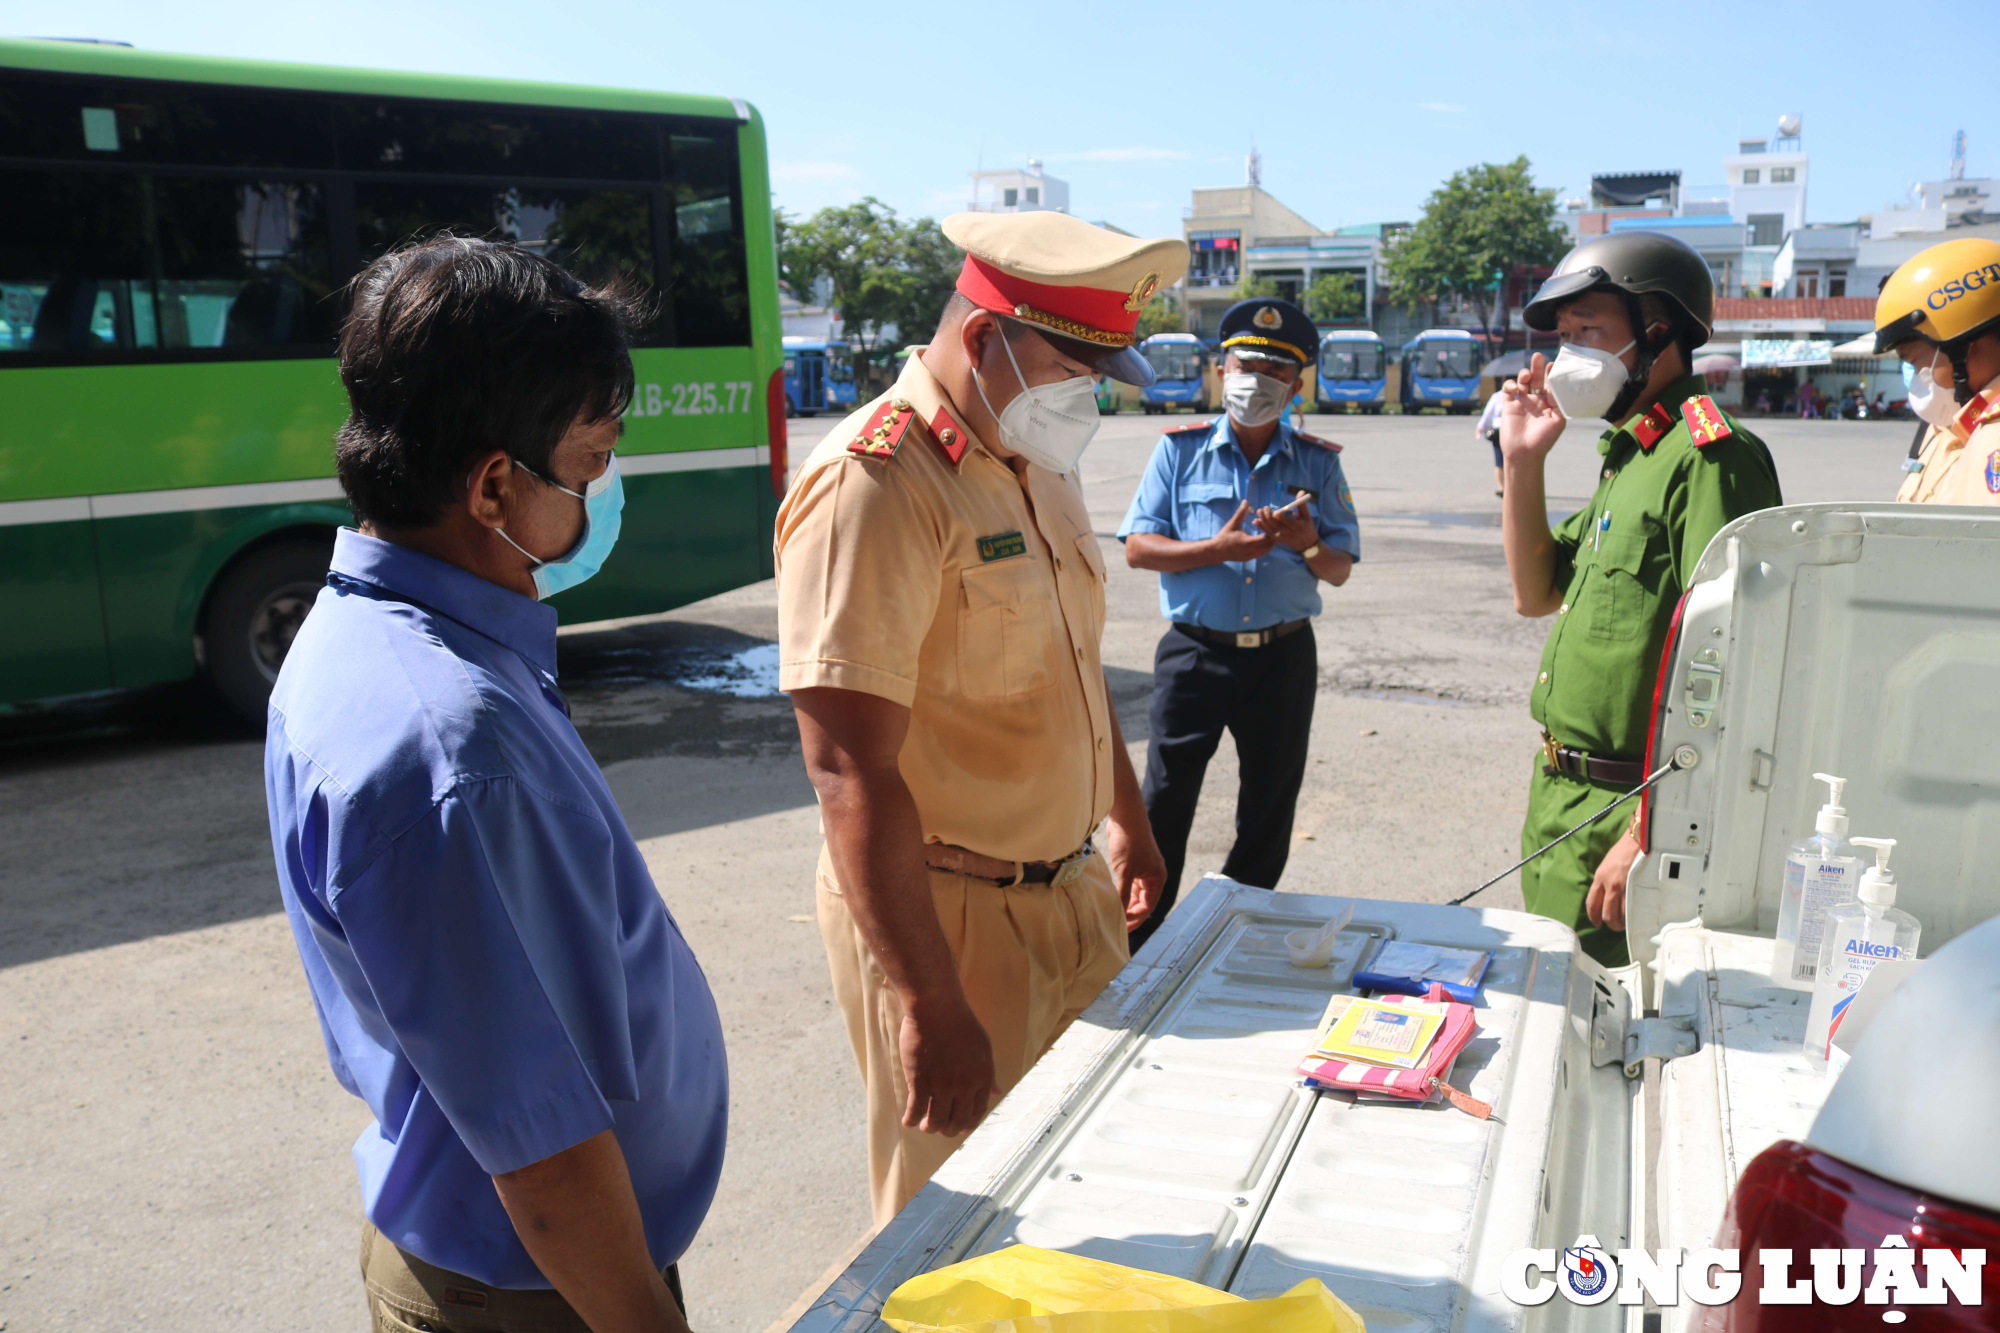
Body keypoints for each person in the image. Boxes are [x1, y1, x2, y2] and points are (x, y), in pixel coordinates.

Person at [264, 237, 723, 1333]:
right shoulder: (449, 743)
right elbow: (543, 1143)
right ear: (491, 484)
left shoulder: (381, 635)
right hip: (545, 1289)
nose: (604, 489)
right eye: (593, 457)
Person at [775, 210, 1183, 1225]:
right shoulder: (873, 483)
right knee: (954, 1226)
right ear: (982, 340)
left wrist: (1124, 816)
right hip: (947, 919)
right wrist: (928, 1001)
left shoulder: (1032, 451)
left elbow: (1073, 667)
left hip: (1070, 889)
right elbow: (845, 770)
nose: (1085, 396)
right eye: (1072, 367)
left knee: (1083, 1185)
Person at [1498, 231, 1782, 966]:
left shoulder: (1709, 456)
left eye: (1589, 329)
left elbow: (1739, 658)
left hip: (1630, 815)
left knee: (1617, 1041)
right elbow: (1535, 592)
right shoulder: (1632, 454)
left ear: (1660, 332)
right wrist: (1523, 462)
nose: (1570, 355)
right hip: (1562, 799)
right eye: (1563, 336)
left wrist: (1650, 831)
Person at [1116, 297, 1360, 952]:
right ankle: (1135, 942)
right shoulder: (1179, 452)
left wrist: (1306, 543)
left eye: (1274, 371)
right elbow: (1138, 547)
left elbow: (1337, 567)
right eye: (1245, 365)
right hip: (1194, 653)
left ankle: (1235, 940)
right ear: (1221, 370)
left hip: (1282, 657)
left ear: (1296, 385)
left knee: (1269, 805)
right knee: (1164, 799)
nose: (1257, 381)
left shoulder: (1318, 462)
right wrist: (1215, 551)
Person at [1876, 237, 2000, 504]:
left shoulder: (1992, 430)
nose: (1915, 377)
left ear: (1966, 347)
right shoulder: (1946, 426)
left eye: (1912, 361)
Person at [1476, 385, 1506, 495]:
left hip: (1515, 431)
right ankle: (1501, 487)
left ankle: (1514, 487)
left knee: (1514, 461)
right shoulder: (1498, 396)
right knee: (1499, 459)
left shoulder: (1521, 396)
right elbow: (1488, 413)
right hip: (1499, 431)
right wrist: (1480, 427)